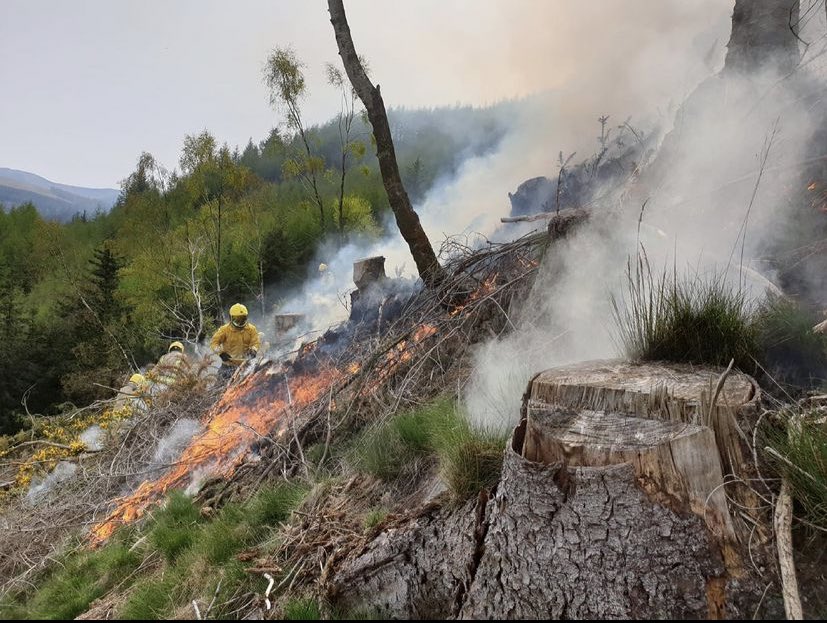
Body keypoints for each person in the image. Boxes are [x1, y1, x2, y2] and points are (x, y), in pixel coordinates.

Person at [210, 304, 260, 370]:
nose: (240, 322)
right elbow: (214, 343)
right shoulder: (224, 330)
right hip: (228, 365)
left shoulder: (251, 329)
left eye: (242, 319)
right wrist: (221, 353)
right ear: (231, 318)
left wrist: (254, 350)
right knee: (220, 379)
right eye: (237, 319)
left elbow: (255, 343)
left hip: (246, 365)